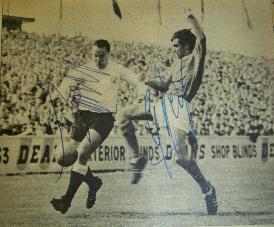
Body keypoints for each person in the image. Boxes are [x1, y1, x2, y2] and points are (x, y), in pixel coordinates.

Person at [49, 39, 147, 214]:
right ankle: (93, 182)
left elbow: (135, 79)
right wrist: (58, 95)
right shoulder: (85, 69)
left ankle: (66, 201)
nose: (97, 59)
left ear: (108, 54)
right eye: (95, 55)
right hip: (82, 116)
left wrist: (141, 92)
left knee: (83, 152)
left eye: (101, 55)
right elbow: (67, 82)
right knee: (67, 155)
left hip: (103, 118)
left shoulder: (117, 69)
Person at [145, 13, 218, 215]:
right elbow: (164, 85)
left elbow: (202, 39)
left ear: (186, 46)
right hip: (165, 103)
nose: (173, 49)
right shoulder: (177, 63)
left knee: (180, 157)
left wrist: (190, 18)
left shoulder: (195, 58)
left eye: (176, 46)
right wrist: (146, 80)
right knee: (126, 114)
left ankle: (207, 188)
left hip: (180, 106)